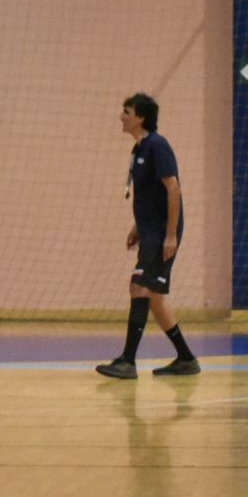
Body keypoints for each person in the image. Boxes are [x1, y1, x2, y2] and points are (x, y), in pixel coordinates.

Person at [96, 93, 199, 379]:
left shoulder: (157, 145)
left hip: (162, 232)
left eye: (126, 111)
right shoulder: (139, 149)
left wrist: (170, 236)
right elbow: (147, 196)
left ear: (140, 117)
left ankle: (128, 361)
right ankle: (186, 358)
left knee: (139, 287)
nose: (121, 116)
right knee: (154, 298)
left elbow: (173, 189)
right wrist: (137, 227)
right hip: (150, 230)